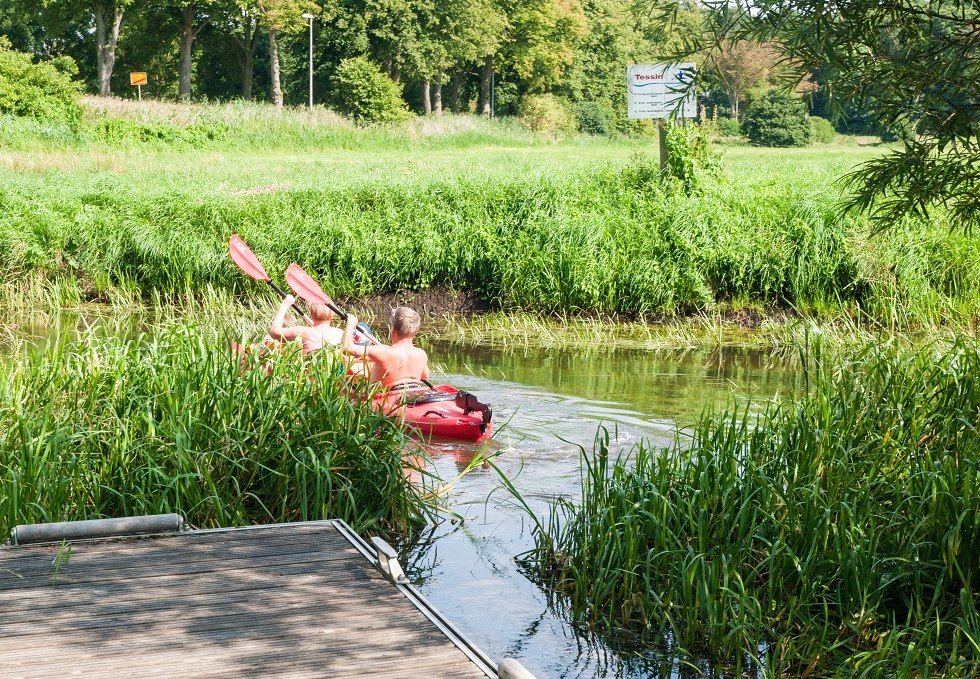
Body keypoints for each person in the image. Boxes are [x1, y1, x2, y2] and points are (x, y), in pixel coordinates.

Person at [343, 306, 428, 389]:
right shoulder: (421, 354)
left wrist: (350, 323)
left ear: (393, 329)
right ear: (415, 332)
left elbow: (348, 348)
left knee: (342, 387)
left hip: (386, 398)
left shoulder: (383, 351)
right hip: (413, 394)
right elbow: (424, 376)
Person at [267, 294, 343, 355]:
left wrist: (285, 305)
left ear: (311, 315)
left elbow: (274, 332)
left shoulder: (304, 332)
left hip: (311, 373)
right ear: (332, 315)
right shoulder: (341, 333)